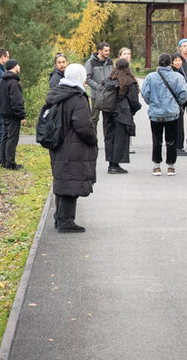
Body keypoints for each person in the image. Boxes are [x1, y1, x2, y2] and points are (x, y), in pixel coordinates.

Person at [45, 62, 98, 233]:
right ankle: (66, 221)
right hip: (73, 147)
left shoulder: (58, 93)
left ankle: (60, 218)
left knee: (62, 181)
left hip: (59, 144)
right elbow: (83, 126)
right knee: (71, 183)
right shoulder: (77, 97)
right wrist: (93, 139)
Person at [141, 52, 187, 176]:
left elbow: (145, 93)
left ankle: (157, 166)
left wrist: (151, 102)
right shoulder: (177, 77)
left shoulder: (151, 77)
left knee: (156, 140)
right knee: (171, 140)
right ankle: (171, 166)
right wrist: (178, 103)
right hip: (171, 112)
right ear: (170, 63)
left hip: (156, 113)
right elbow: (184, 93)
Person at [106, 57, 141, 173]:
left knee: (110, 138)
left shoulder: (110, 79)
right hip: (122, 113)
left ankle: (111, 163)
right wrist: (134, 110)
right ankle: (115, 165)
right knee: (120, 139)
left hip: (108, 112)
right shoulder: (129, 81)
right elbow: (134, 100)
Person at [0, 59, 26, 170]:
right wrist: (21, 115)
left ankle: (4, 161)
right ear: (14, 66)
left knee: (5, 137)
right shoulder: (13, 82)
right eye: (18, 65)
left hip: (4, 113)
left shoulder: (2, 81)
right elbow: (17, 101)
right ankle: (10, 163)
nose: (19, 66)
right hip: (13, 115)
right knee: (12, 139)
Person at [85, 42, 113, 141]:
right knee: (94, 119)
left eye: (108, 50)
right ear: (99, 51)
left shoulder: (110, 61)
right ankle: (93, 139)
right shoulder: (90, 62)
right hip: (96, 95)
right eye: (106, 51)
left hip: (109, 95)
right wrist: (99, 88)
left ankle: (109, 140)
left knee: (109, 119)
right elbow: (87, 79)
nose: (108, 52)